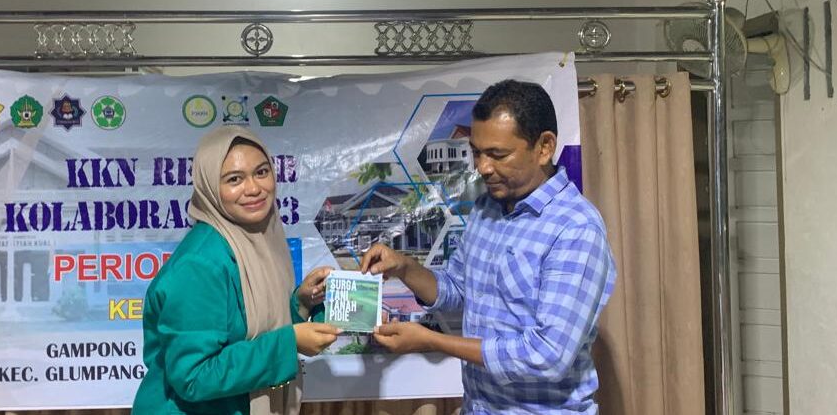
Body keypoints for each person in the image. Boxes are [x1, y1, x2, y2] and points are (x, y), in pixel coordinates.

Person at [361, 79, 616, 414]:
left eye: (498, 155)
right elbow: (456, 289)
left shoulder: (575, 228)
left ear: (544, 147)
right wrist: (404, 267)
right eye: (477, 152)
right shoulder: (487, 209)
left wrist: (432, 341)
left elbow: (547, 356)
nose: (483, 167)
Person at [133, 126, 341, 415]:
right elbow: (193, 376)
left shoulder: (258, 240)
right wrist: (289, 342)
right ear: (209, 187)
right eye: (234, 179)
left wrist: (302, 303)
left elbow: (254, 330)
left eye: (261, 172)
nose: (254, 188)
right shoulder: (199, 264)